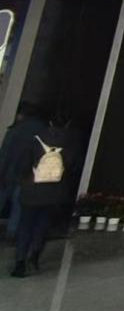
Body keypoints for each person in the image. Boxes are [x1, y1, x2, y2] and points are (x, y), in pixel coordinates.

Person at [12, 108, 78, 278]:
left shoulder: (36, 139)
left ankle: (20, 261)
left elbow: (23, 164)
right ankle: (34, 255)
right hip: (54, 190)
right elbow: (71, 166)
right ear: (68, 124)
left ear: (49, 122)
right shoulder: (70, 143)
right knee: (43, 224)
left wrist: (24, 178)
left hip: (32, 188)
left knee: (25, 224)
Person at [0, 101, 47, 243]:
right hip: (27, 172)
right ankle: (12, 232)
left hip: (9, 171)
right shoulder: (42, 130)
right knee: (18, 204)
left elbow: (5, 153)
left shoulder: (15, 129)